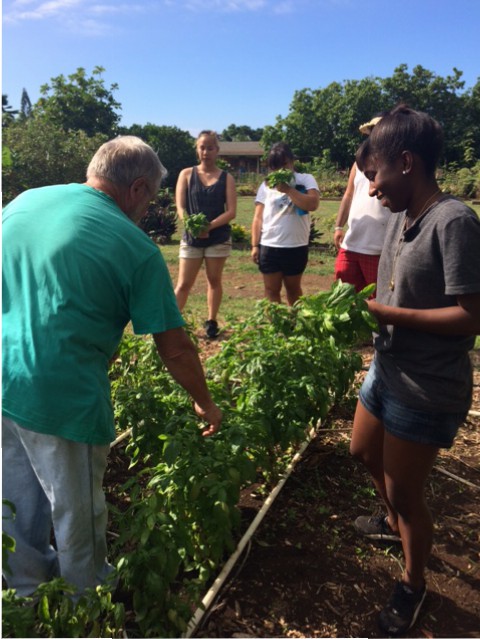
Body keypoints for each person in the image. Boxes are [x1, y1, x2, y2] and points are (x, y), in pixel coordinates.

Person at [2, 135, 222, 598]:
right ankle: (86, 600)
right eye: (151, 199)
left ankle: (24, 592)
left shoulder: (24, 203)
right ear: (137, 188)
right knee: (76, 508)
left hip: (5, 373)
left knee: (16, 496)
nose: (147, 210)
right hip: (61, 392)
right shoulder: (134, 246)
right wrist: (205, 402)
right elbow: (176, 348)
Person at [349, 105, 480, 636]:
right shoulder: (405, 216)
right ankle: (394, 523)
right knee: (361, 451)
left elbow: (472, 315)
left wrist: (388, 313)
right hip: (388, 367)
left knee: (407, 495)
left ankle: (413, 583)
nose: (372, 188)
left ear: (406, 163)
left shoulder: (455, 222)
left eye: (375, 175)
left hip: (426, 385)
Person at [174, 130, 237, 338]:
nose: (206, 151)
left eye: (210, 147)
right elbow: (181, 208)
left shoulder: (226, 178)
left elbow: (231, 211)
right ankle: (171, 323)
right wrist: (192, 226)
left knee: (213, 280)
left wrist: (209, 227)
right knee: (183, 284)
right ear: (197, 149)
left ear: (217, 151)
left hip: (217, 239)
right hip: (191, 239)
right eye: (202, 147)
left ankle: (211, 321)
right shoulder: (186, 174)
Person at [251, 142, 320, 305]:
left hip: (295, 245)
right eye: (275, 166)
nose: (280, 170)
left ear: (291, 161)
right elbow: (258, 217)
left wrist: (289, 190)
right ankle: (277, 326)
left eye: (284, 164)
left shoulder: (305, 179)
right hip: (269, 244)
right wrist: (255, 245)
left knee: (294, 289)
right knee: (271, 290)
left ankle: (297, 324)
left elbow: (313, 204)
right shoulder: (266, 185)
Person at [334, 115, 392, 293]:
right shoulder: (358, 164)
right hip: (352, 243)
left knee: (378, 301)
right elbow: (348, 195)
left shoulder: (394, 164)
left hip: (379, 249)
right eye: (373, 133)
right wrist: (338, 226)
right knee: (344, 298)